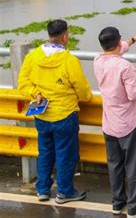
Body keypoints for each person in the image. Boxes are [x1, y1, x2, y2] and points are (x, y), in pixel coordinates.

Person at [18, 19, 92, 203]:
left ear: (49, 34)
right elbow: (82, 90)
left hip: (42, 115)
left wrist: (34, 93)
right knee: (65, 154)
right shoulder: (69, 60)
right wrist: (87, 97)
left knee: (45, 152)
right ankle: (65, 192)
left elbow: (23, 83)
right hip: (65, 115)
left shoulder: (33, 56)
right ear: (65, 36)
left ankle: (42, 189)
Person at [93, 27, 136, 217]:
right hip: (128, 124)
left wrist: (133, 40)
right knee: (133, 166)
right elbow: (133, 94)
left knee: (115, 164)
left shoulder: (97, 61)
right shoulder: (126, 67)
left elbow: (117, 50)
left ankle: (118, 202)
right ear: (118, 42)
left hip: (109, 124)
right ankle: (135, 206)